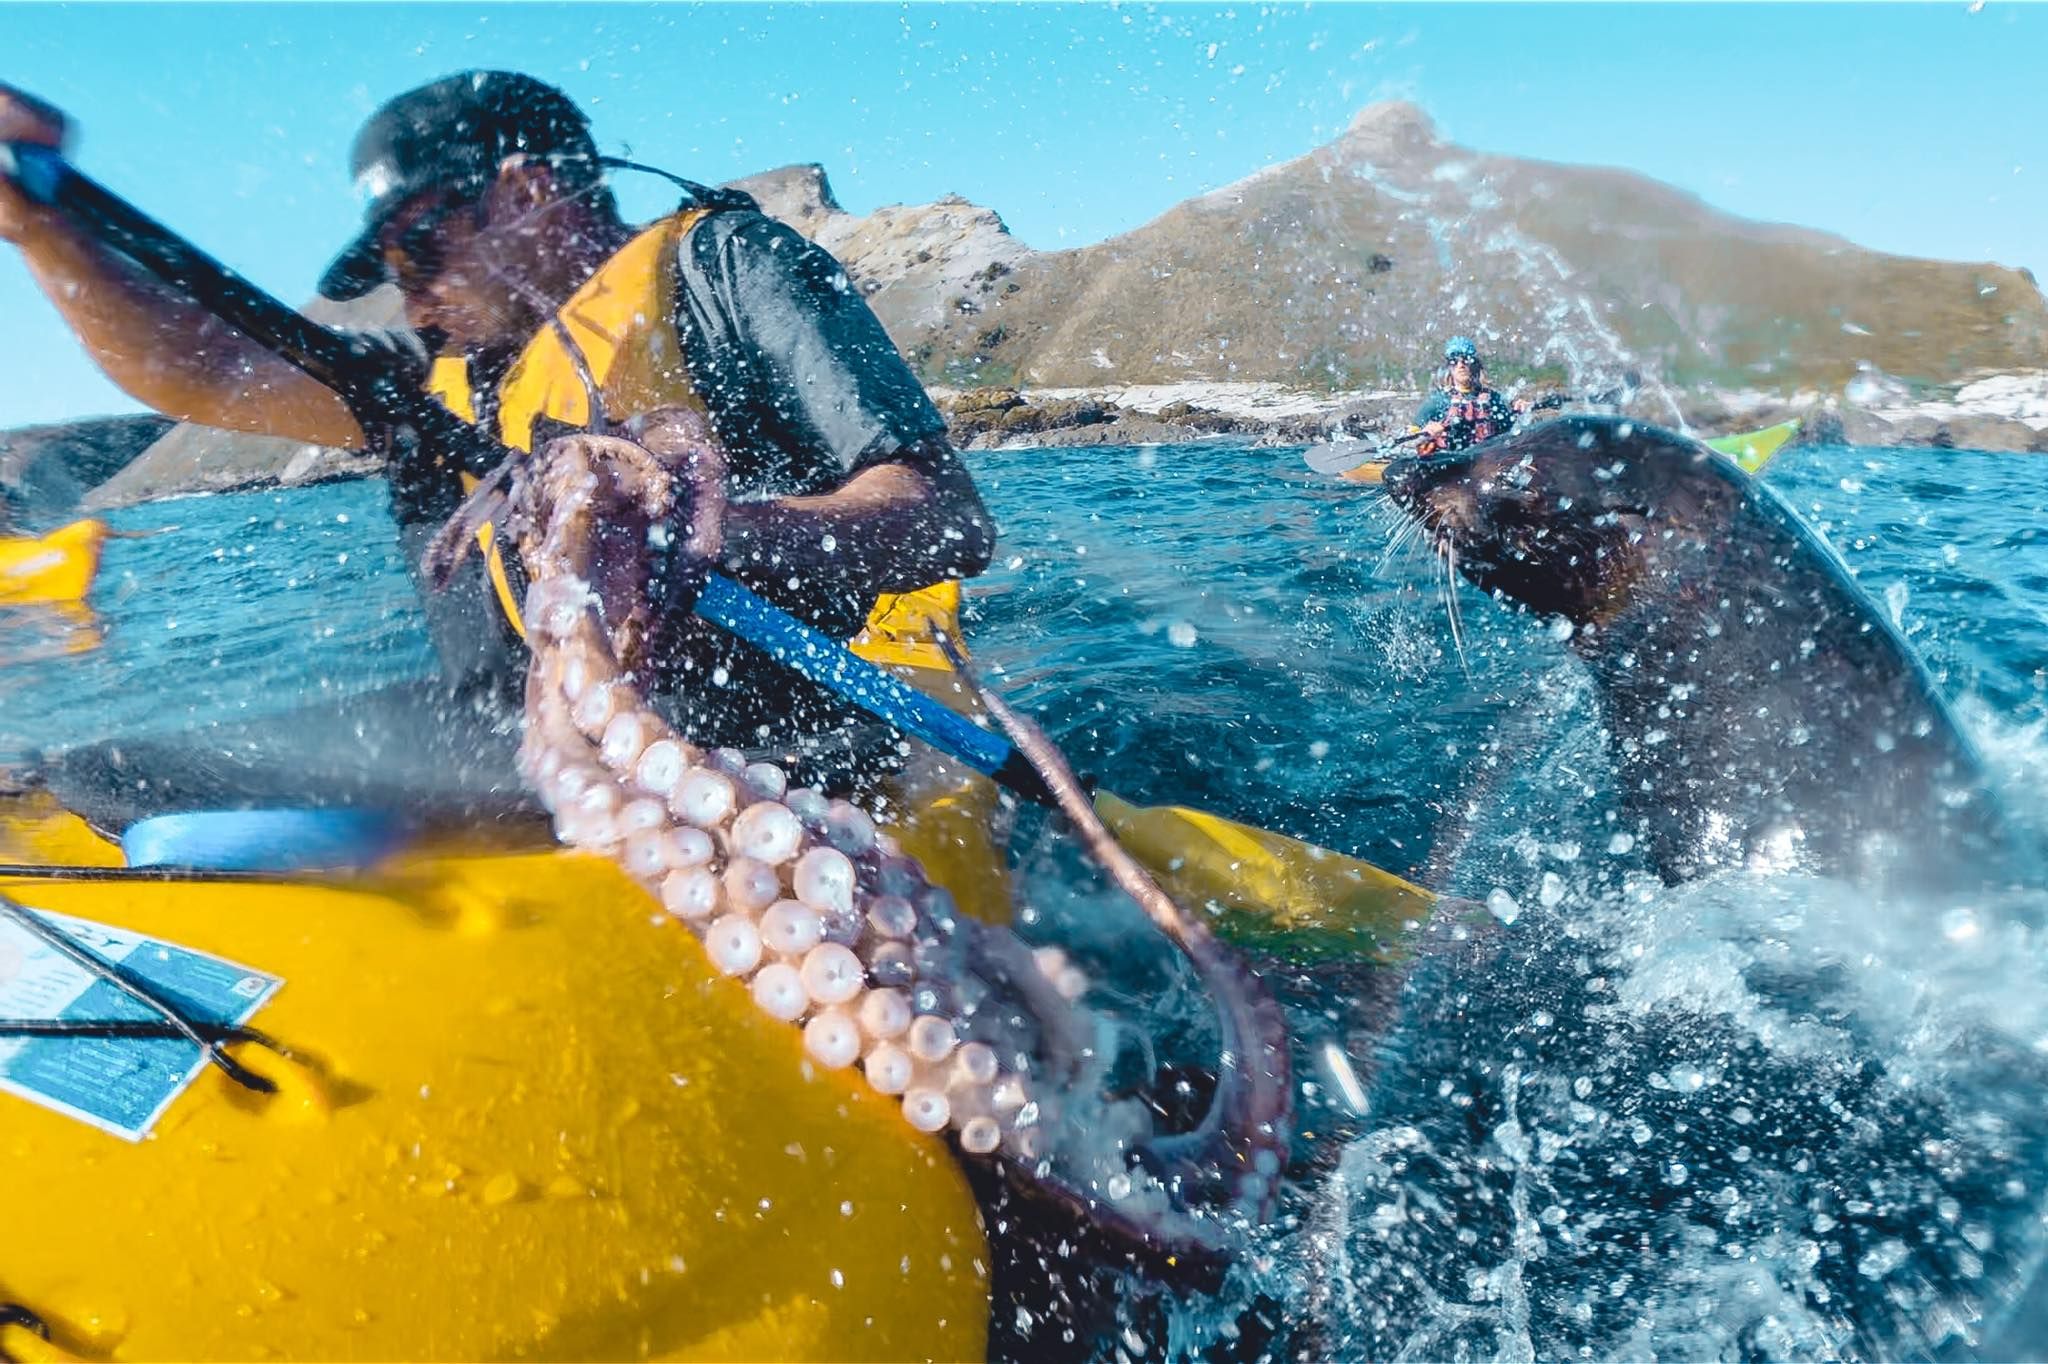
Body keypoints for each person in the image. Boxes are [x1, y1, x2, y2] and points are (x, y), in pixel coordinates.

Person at [0, 72, 994, 790]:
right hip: (518, 736)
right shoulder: (434, 386)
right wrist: (39, 226)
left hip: (775, 735)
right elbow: (201, 368)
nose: (414, 291)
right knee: (92, 779)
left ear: (527, 191)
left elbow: (945, 520)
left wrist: (696, 534)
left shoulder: (725, 267)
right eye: (393, 267)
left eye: (423, 245)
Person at [1412, 335, 1530, 456]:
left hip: (1485, 461)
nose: (1460, 365)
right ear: (1449, 368)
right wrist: (1425, 434)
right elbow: (1409, 437)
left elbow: (1510, 431)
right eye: (1454, 361)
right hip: (1449, 464)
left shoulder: (1494, 399)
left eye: (1466, 359)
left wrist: (1521, 413)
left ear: (1475, 364)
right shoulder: (1437, 401)